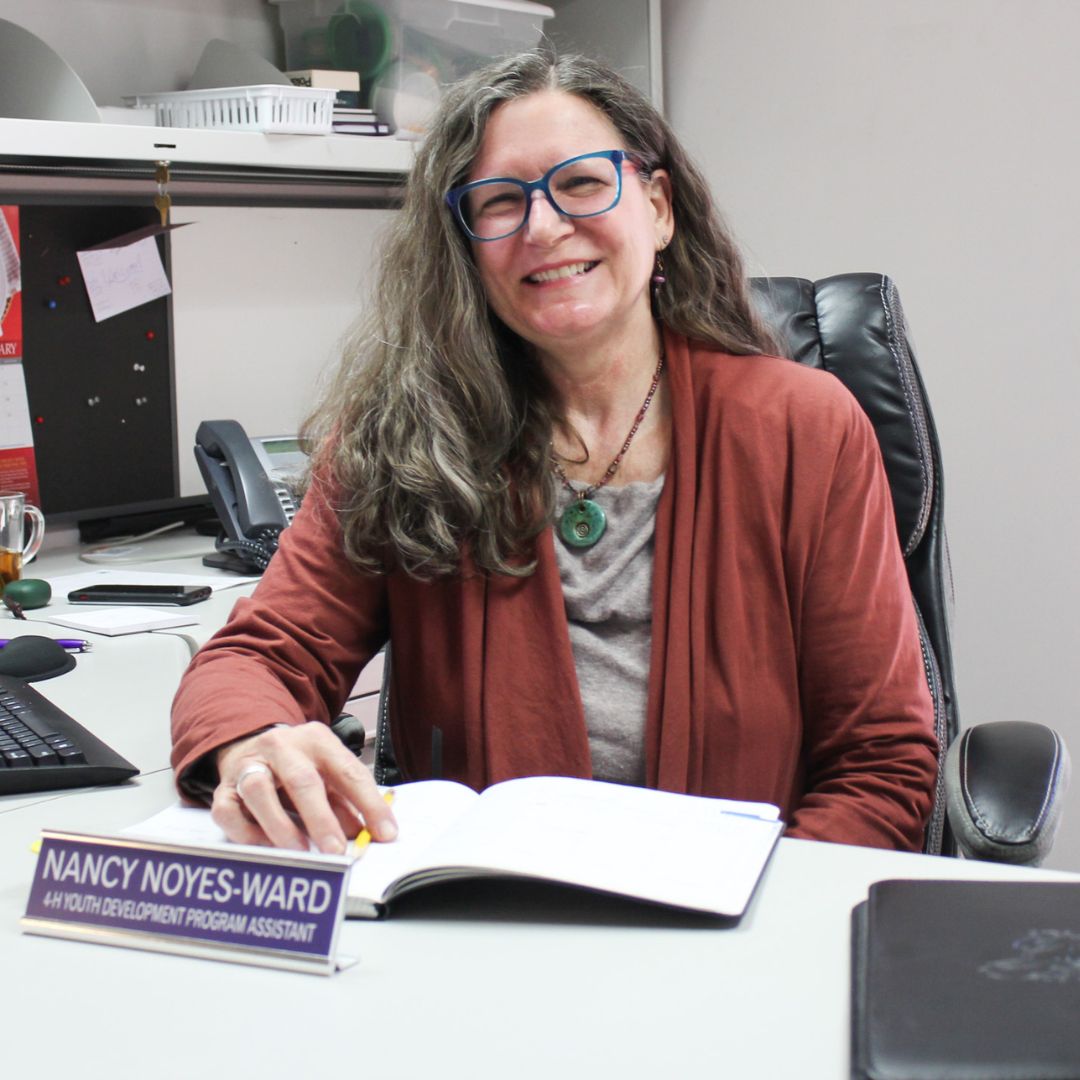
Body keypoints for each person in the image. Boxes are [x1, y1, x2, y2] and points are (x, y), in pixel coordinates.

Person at [171, 50, 938, 857]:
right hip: (490, 923)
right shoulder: (403, 442)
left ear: (659, 207)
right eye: (499, 202)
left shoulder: (805, 430)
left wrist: (755, 932)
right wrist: (253, 741)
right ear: (466, 248)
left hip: (745, 921)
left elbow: (881, 760)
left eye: (580, 184)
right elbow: (262, 656)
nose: (543, 228)